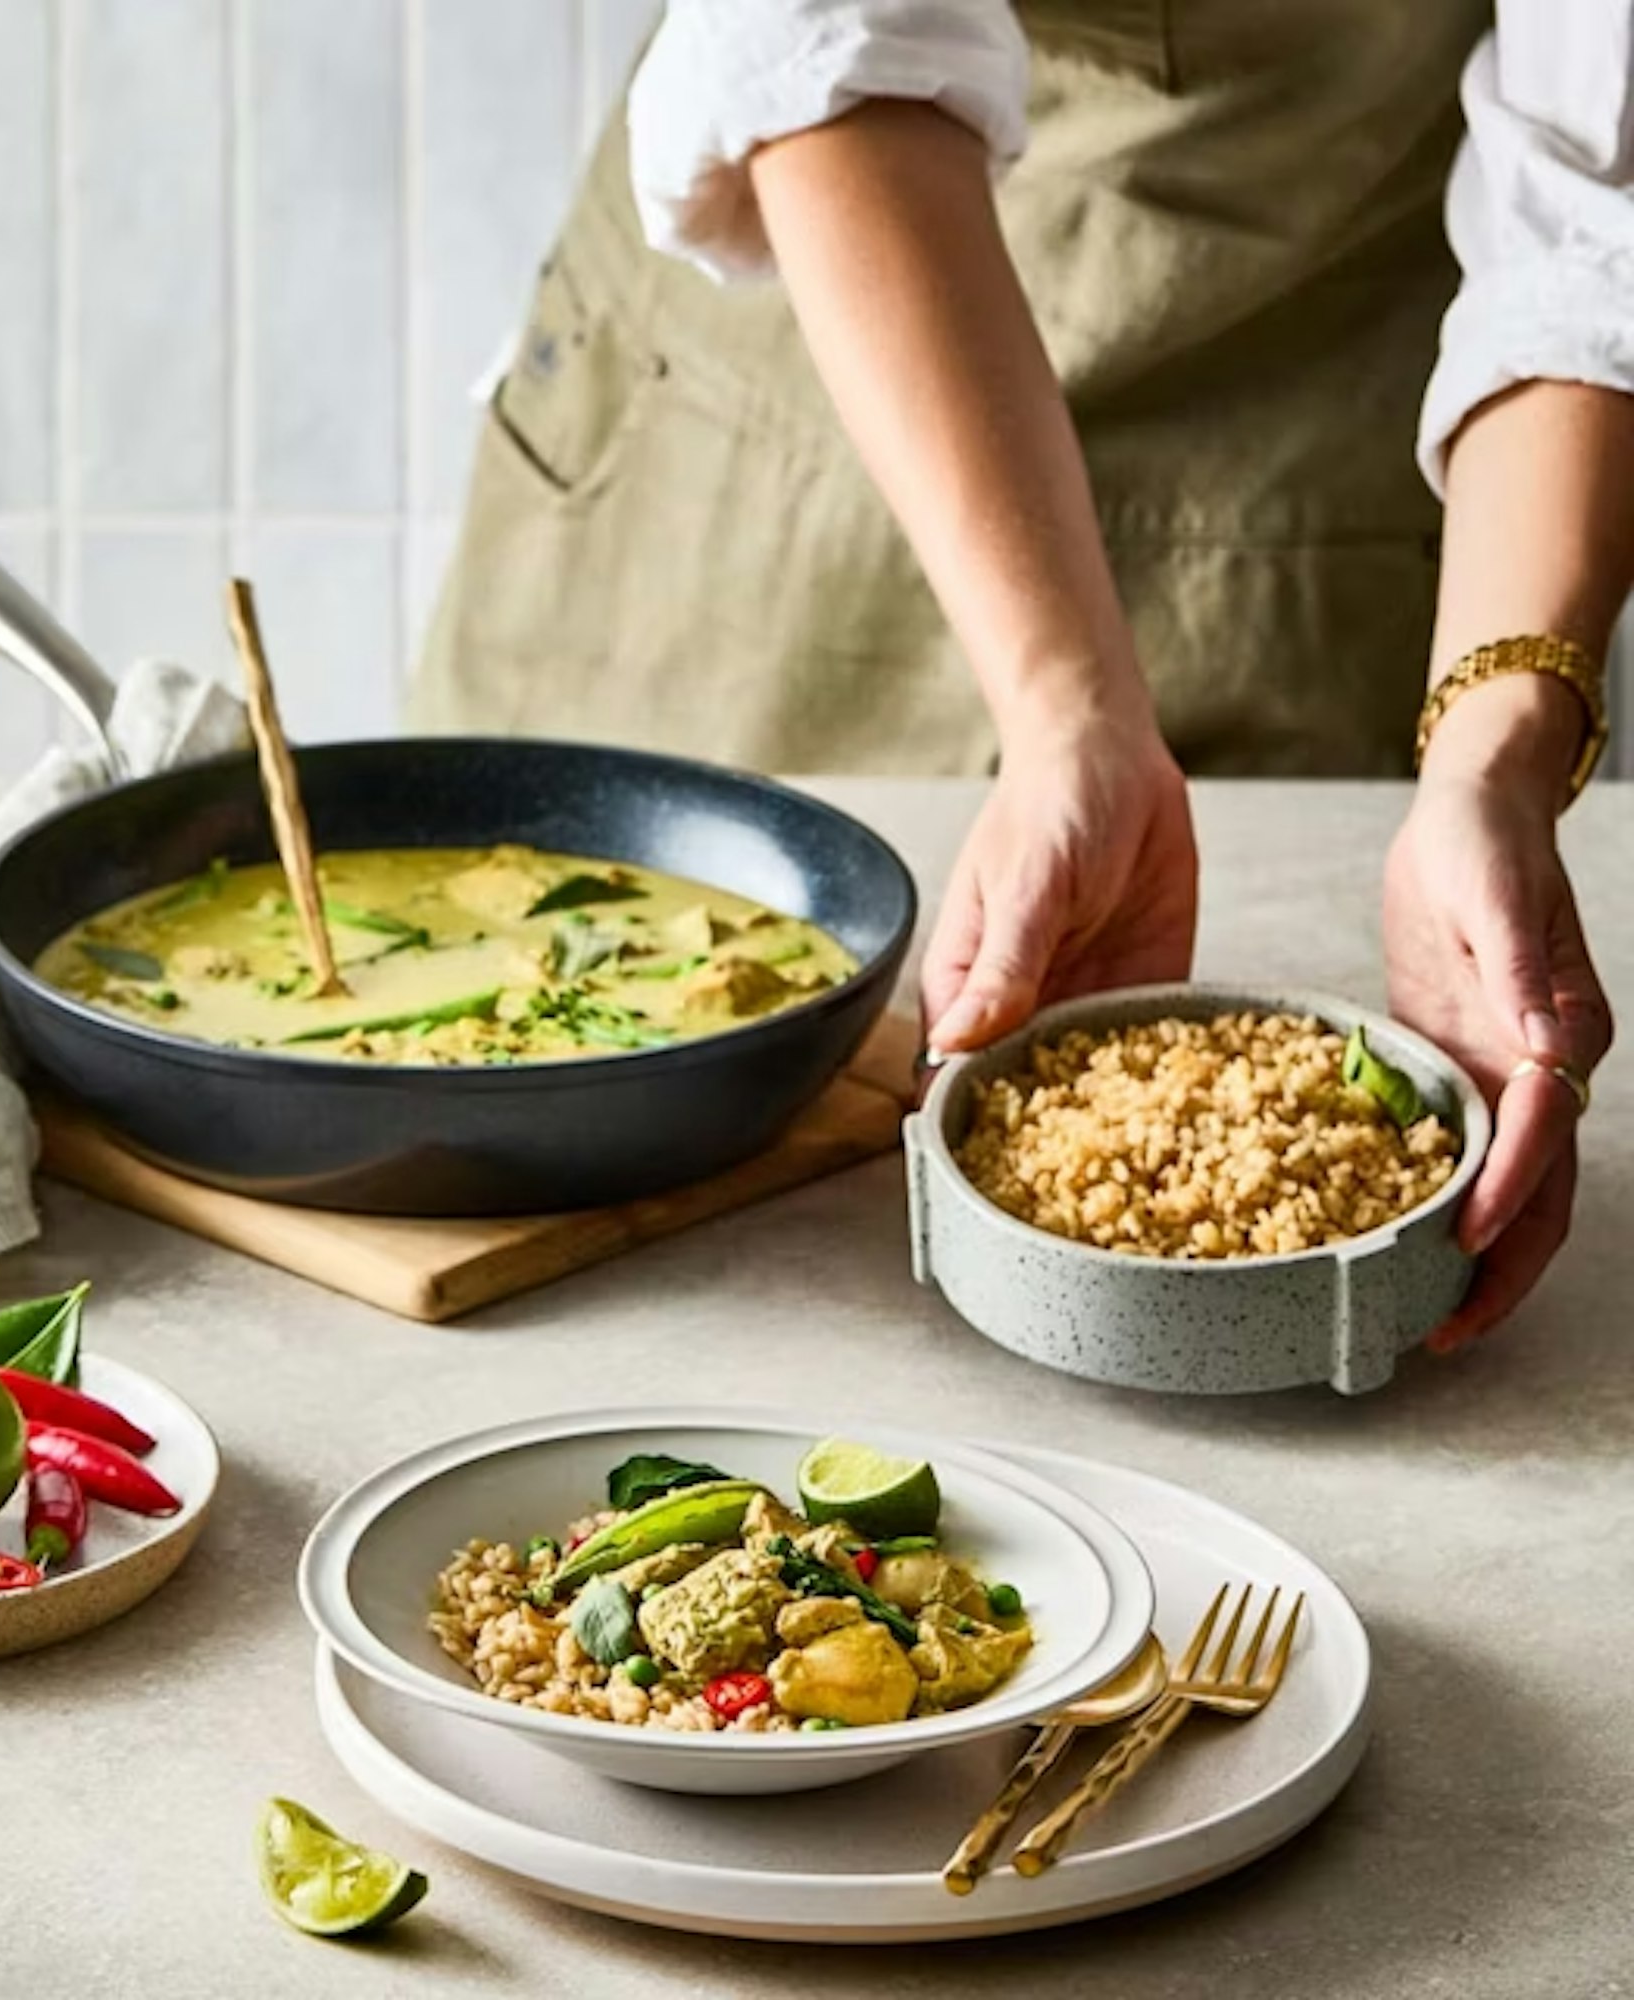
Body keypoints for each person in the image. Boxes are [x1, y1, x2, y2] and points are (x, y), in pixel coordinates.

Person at [415, 2, 1632, 1348]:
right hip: (793, 384)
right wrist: (1070, 711)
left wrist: (1493, 762)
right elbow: (828, 43)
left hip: (1305, 448)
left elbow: (1596, 197)